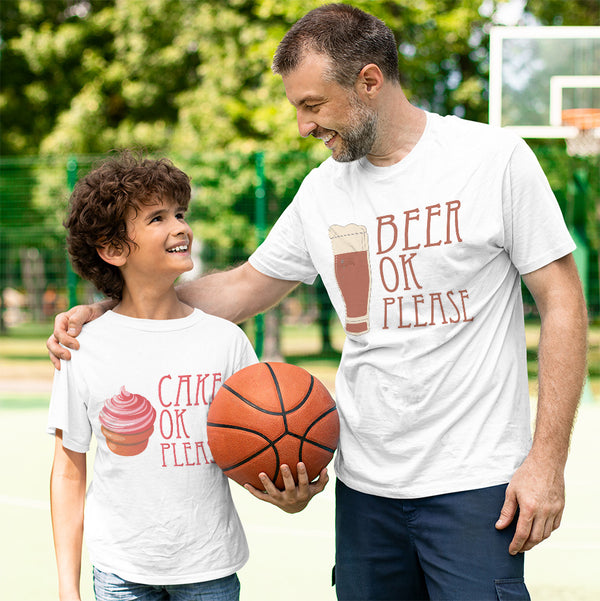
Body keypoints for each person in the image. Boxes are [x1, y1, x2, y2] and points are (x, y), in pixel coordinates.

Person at [48, 5, 588, 600]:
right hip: (365, 487)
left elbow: (562, 303)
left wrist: (546, 462)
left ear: (370, 81)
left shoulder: (493, 161)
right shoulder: (322, 192)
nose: (303, 126)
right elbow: (240, 288)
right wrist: (112, 310)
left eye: (313, 105)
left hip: (474, 480)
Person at [47, 151, 326, 601]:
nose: (180, 226)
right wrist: (66, 587)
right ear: (113, 249)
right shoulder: (84, 346)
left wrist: (288, 494)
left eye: (180, 213)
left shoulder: (225, 340)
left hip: (209, 567)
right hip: (120, 569)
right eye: (157, 218)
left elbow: (257, 443)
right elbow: (68, 471)